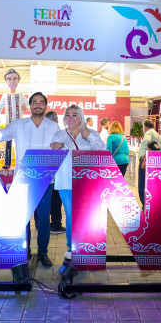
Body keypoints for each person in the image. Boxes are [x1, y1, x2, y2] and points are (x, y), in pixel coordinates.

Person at [0, 92, 59, 267]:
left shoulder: (53, 127)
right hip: (23, 179)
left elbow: (60, 147)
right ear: (29, 106)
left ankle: (43, 253)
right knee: (23, 218)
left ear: (46, 106)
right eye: (35, 102)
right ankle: (25, 251)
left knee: (44, 218)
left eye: (41, 102)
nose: (38, 105)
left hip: (45, 179)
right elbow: (0, 136)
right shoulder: (19, 124)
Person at [50, 105, 105, 261]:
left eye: (74, 115)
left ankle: (88, 245)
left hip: (86, 181)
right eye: (68, 115)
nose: (71, 118)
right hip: (65, 180)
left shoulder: (90, 133)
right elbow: (52, 155)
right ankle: (72, 246)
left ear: (81, 117)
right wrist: (54, 148)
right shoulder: (59, 134)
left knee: (87, 214)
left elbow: (102, 150)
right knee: (71, 214)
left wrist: (90, 136)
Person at [0, 68, 30, 168]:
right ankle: (7, 163)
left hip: (20, 124)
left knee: (20, 144)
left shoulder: (20, 95)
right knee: (8, 144)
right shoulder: (5, 95)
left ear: (18, 81)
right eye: (9, 79)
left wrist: (26, 108)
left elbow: (30, 105)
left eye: (14, 79)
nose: (12, 81)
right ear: (6, 81)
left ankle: (20, 162)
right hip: (9, 124)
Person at [45, 111, 65, 234]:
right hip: (55, 171)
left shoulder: (44, 133)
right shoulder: (56, 133)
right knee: (56, 198)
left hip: (46, 170)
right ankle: (55, 224)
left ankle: (45, 224)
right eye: (56, 119)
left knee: (50, 199)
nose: (57, 121)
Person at [137, 119, 161, 205]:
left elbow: (147, 141)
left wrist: (147, 153)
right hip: (154, 161)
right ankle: (149, 205)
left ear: (145, 127)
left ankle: (144, 206)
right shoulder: (157, 134)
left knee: (142, 185)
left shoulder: (148, 133)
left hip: (145, 161)